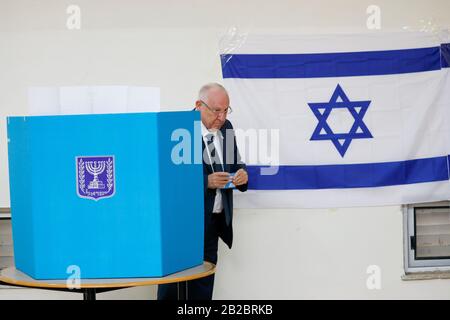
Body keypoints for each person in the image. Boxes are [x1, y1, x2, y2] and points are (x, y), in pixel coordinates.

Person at [157, 83, 248, 300]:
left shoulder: (227, 129)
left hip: (213, 224)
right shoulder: (176, 129)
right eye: (217, 110)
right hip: (183, 225)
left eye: (226, 110)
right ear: (198, 105)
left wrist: (242, 174)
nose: (222, 116)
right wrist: (205, 181)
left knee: (202, 289)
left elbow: (234, 164)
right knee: (173, 287)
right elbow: (167, 179)